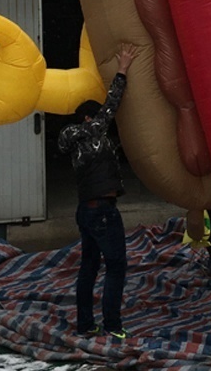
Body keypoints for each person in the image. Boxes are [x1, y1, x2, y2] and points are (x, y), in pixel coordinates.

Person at [58, 42, 138, 339]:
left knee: (89, 267)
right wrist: (122, 69)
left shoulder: (73, 138)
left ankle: (85, 324)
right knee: (116, 266)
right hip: (103, 212)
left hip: (86, 212)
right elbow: (113, 104)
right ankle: (113, 325)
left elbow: (69, 135)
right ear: (90, 119)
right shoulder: (92, 132)